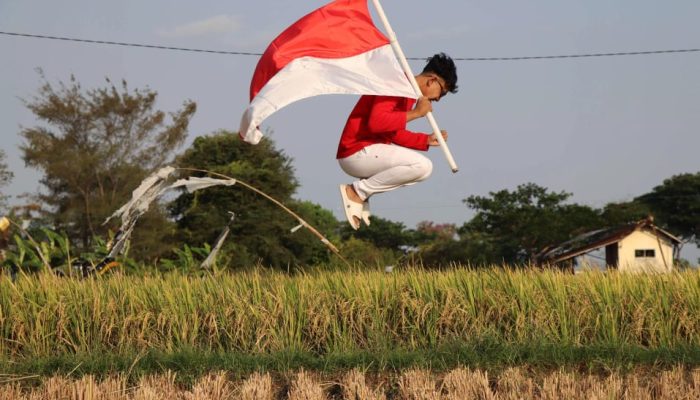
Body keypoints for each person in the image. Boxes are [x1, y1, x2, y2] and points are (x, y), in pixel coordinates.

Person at [337, 53, 458, 229]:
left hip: (366, 152)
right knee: (422, 166)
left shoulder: (407, 92)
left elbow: (392, 132)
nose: (438, 99)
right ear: (432, 80)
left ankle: (362, 192)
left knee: (423, 171)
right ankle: (357, 192)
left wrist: (425, 140)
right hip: (356, 152)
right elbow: (377, 122)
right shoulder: (396, 84)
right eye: (443, 92)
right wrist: (417, 113)